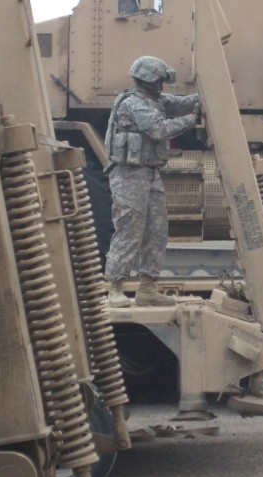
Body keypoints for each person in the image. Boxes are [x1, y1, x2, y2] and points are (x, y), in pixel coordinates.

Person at [104, 56, 201, 308]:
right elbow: (158, 130)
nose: (162, 85)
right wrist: (191, 119)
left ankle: (147, 288)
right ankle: (115, 287)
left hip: (149, 173)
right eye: (160, 81)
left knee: (157, 231)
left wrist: (206, 95)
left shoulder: (154, 100)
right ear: (151, 80)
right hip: (129, 175)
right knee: (129, 230)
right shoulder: (135, 104)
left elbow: (181, 103)